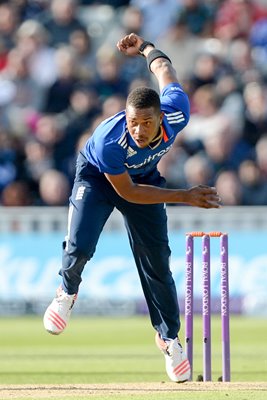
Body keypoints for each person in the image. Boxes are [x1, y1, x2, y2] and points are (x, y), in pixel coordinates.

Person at [43, 33, 220, 383]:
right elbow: (129, 193)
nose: (138, 130)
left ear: (161, 118)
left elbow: (164, 68)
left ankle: (169, 339)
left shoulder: (177, 112)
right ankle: (67, 291)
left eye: (146, 123)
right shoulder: (111, 141)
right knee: (80, 245)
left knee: (157, 263)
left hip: (145, 178)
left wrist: (145, 48)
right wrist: (184, 195)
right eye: (132, 122)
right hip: (97, 177)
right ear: (125, 116)